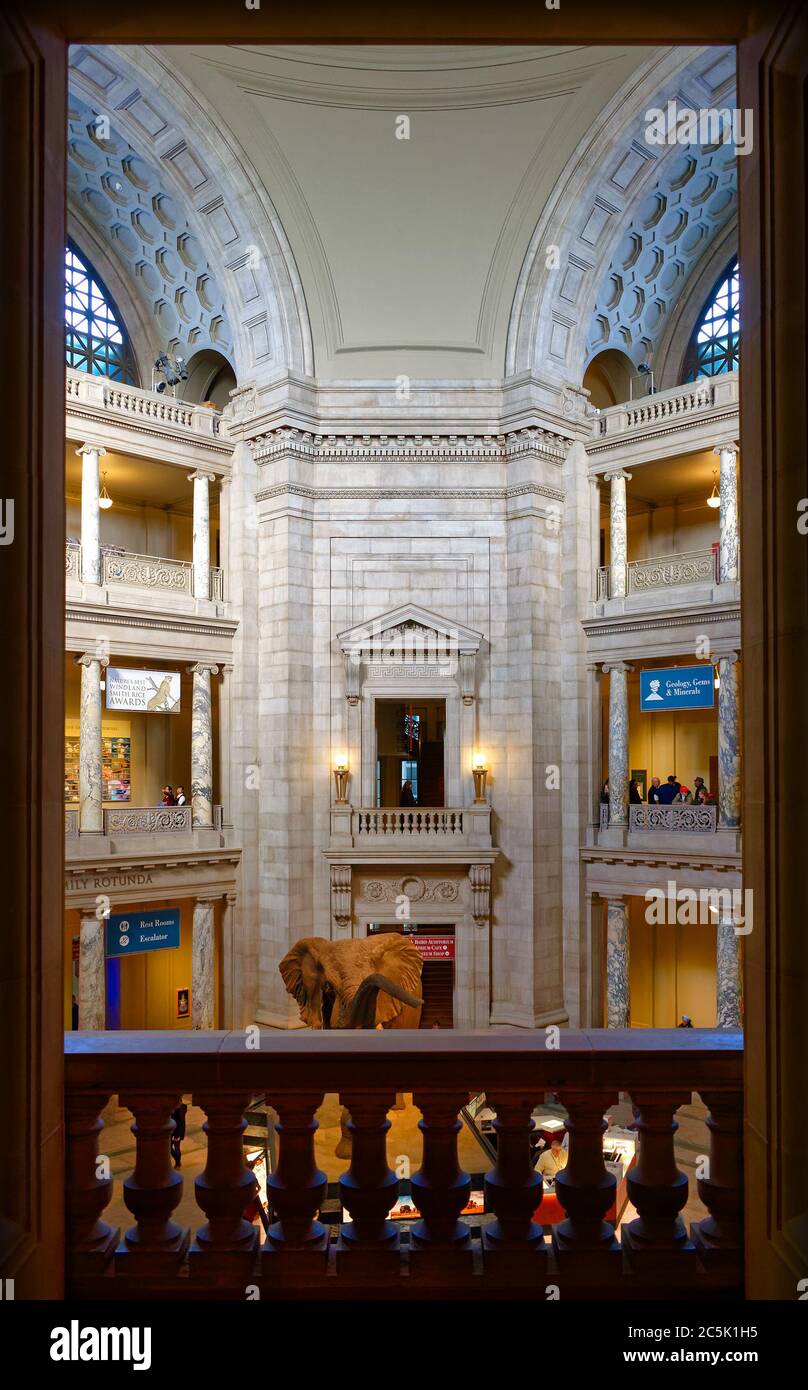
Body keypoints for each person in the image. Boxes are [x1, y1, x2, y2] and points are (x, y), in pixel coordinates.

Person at [170, 1101, 188, 1168]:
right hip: (172, 1130)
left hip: (177, 1131)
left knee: (176, 1147)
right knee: (170, 1148)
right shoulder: (178, 1106)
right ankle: (178, 1162)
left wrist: (178, 1134)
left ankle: (178, 1163)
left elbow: (181, 1122)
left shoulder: (180, 1108)